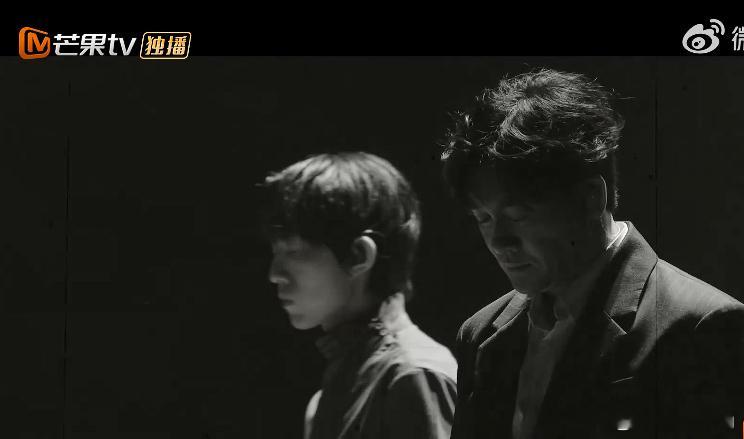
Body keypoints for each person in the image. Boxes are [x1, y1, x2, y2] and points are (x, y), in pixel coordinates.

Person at [440, 69, 744, 439]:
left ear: (590, 199)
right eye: (483, 219)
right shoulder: (480, 333)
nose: (499, 242)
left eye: (518, 215)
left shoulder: (700, 326)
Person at [260, 152, 458, 439]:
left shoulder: (414, 374)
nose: (274, 273)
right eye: (275, 252)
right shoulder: (328, 396)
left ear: (359, 256)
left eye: (293, 251)